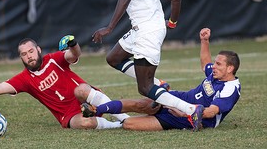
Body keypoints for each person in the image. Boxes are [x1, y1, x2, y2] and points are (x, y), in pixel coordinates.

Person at [92, 0, 204, 131]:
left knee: (144, 88)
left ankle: (191, 109)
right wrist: (172, 22)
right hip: (146, 28)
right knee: (113, 58)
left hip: (147, 31)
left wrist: (109, 28)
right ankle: (160, 83)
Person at [82, 28, 241, 131]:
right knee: (142, 104)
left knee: (130, 124)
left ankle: (114, 123)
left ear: (230, 69)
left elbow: (211, 112)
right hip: (181, 98)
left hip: (188, 119)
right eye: (215, 63)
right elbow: (205, 63)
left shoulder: (230, 88)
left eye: (218, 64)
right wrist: (204, 41)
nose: (213, 66)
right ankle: (97, 110)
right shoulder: (215, 74)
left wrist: (184, 112)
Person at [0, 35, 129, 129]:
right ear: (21, 58)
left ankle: (125, 119)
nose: (29, 56)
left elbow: (74, 54)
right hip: (69, 115)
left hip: (87, 99)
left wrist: (73, 43)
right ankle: (117, 126)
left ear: (38, 49)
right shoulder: (24, 79)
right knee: (85, 124)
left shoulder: (53, 59)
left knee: (80, 89)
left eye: (31, 51)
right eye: (24, 54)